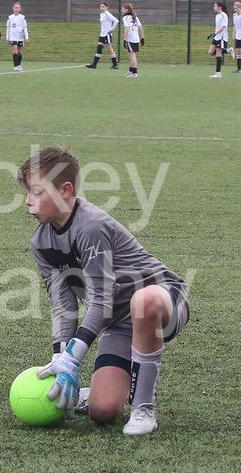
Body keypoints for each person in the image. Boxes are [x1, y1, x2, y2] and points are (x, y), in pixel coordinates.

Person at [17, 146, 189, 436]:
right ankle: (93, 392)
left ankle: (143, 408)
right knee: (103, 411)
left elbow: (102, 299)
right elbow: (63, 305)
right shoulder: (40, 242)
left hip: (164, 300)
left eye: (36, 192)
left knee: (143, 300)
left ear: (66, 190)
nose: (27, 201)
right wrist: (60, 357)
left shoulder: (91, 227)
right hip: (118, 321)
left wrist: (74, 357)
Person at [86, 2, 118, 70]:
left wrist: (111, 29)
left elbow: (116, 21)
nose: (102, 8)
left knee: (110, 49)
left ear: (106, 7)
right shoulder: (101, 14)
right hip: (102, 34)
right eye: (101, 6)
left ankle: (115, 64)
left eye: (103, 6)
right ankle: (94, 64)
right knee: (99, 48)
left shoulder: (107, 14)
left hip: (107, 35)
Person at [122, 3, 144, 78]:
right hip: (136, 39)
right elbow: (140, 27)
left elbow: (127, 29)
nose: (122, 10)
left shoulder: (126, 17)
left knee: (132, 56)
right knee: (132, 55)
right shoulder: (135, 17)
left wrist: (124, 39)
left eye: (123, 9)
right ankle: (130, 71)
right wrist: (142, 38)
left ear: (126, 10)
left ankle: (134, 73)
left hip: (130, 39)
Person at [209, 2, 231, 78]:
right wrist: (214, 34)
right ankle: (227, 50)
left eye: (215, 6)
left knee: (218, 52)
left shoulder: (224, 15)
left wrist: (215, 33)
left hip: (222, 37)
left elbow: (223, 27)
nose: (214, 7)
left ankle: (218, 73)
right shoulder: (217, 15)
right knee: (211, 52)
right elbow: (217, 27)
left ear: (220, 7)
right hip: (216, 37)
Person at [6, 2, 29, 72]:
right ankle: (15, 66)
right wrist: (7, 38)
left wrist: (26, 37)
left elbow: (25, 28)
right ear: (13, 8)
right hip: (13, 37)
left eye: (18, 8)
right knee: (15, 51)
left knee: (20, 52)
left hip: (20, 37)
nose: (16, 9)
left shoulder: (22, 17)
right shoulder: (10, 18)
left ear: (20, 9)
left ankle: (19, 65)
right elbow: (8, 28)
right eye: (15, 8)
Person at [233, 2, 241, 73]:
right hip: (238, 36)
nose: (235, 10)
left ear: (239, 8)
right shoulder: (234, 15)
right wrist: (233, 34)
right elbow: (235, 26)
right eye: (234, 8)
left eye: (236, 8)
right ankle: (239, 69)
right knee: (238, 52)